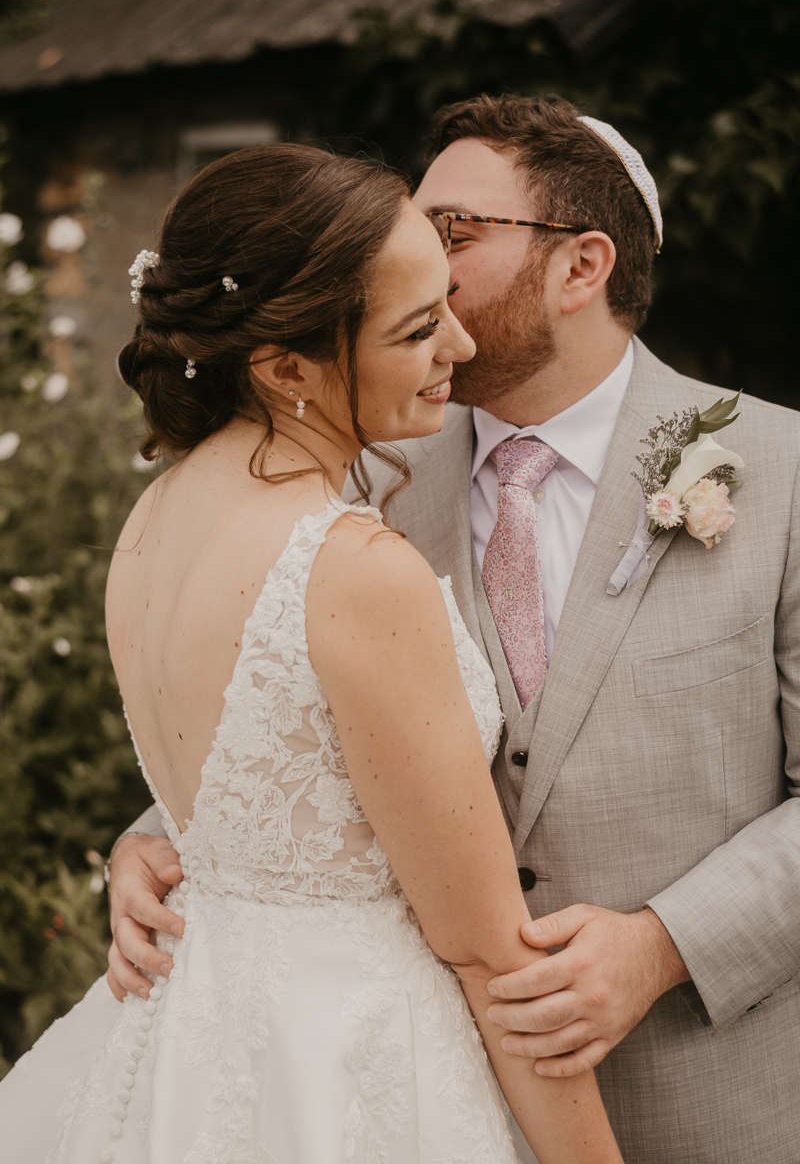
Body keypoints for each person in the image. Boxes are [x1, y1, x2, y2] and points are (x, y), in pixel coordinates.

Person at [108, 96, 800, 1163]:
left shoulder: (784, 473)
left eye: (454, 234)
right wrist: (156, 841)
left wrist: (663, 947)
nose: (415, 257)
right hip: (409, 1097)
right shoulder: (360, 467)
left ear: (580, 268)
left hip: (707, 1095)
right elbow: (281, 715)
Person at [0, 143, 625, 1164]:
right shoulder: (352, 568)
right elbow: (481, 952)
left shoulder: (154, 519)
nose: (459, 345)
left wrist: (137, 844)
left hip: (189, 1038)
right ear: (286, 366)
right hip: (347, 1064)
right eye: (417, 329)